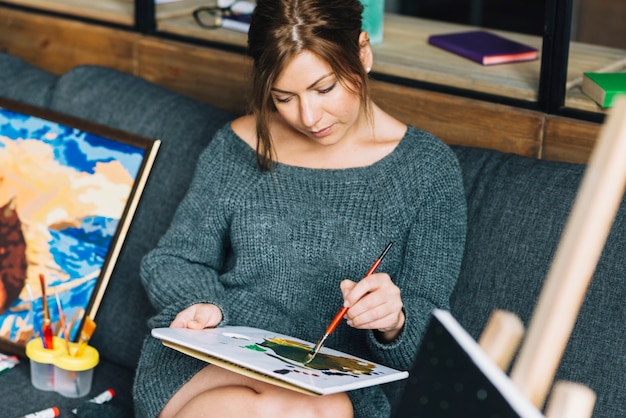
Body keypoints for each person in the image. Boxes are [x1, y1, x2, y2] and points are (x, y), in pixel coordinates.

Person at [133, 0, 467, 416]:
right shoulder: (238, 146)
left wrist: (394, 320)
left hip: (333, 383)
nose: (308, 117)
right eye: (283, 97)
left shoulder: (426, 170)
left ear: (362, 52)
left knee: (317, 410)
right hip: (215, 358)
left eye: (324, 89)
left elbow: (429, 341)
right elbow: (173, 259)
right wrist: (207, 305)